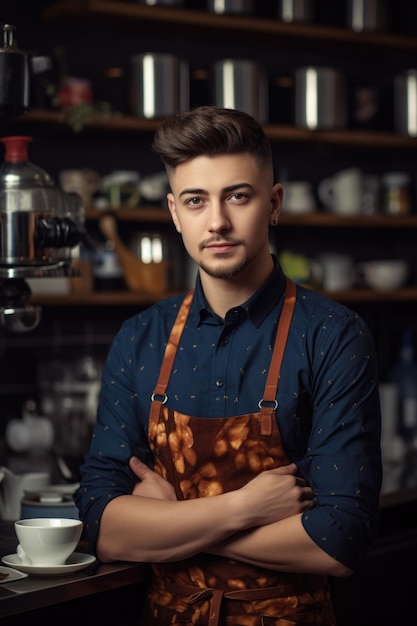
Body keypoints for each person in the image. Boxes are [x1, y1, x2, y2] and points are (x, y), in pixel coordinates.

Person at [74, 105, 382, 625]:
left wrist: (167, 524)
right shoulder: (139, 338)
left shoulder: (333, 335)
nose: (217, 221)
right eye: (196, 201)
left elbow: (339, 540)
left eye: (237, 196)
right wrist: (241, 509)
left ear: (274, 203)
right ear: (175, 213)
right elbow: (100, 526)